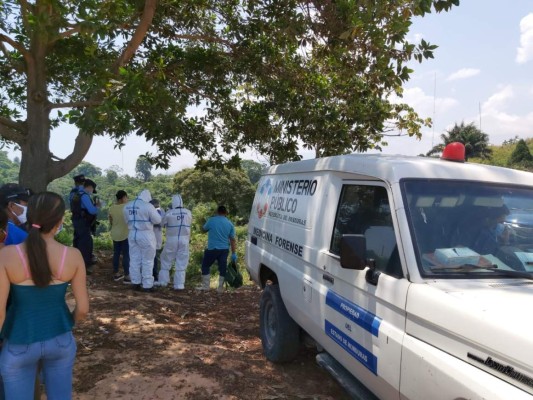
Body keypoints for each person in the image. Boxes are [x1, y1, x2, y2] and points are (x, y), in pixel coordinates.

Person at [0, 191, 89, 399]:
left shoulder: (7, 255)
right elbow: (83, 309)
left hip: (19, 342)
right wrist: (67, 324)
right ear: (60, 220)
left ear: (29, 217)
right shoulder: (73, 256)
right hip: (60, 340)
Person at [123, 189, 162, 292]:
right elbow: (158, 220)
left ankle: (135, 282)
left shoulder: (127, 205)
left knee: (134, 258)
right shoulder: (148, 206)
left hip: (132, 233)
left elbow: (126, 220)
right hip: (145, 234)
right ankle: (147, 285)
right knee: (147, 260)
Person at [156, 194, 192, 290]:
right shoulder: (188, 212)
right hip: (184, 240)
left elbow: (161, 224)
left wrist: (162, 213)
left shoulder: (169, 213)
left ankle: (163, 281)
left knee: (166, 259)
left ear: (173, 203)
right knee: (182, 261)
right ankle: (179, 285)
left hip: (172, 239)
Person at [198, 205, 237, 293]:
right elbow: (232, 240)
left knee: (205, 266)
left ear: (217, 211)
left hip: (212, 248)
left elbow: (203, 230)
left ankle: (206, 286)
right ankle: (220, 288)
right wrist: (234, 253)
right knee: (222, 268)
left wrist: (205, 221)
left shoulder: (211, 220)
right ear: (226, 213)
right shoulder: (230, 224)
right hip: (224, 249)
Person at [70, 178, 100, 274]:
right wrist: (97, 206)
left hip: (75, 220)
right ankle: (85, 266)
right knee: (86, 244)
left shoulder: (73, 193)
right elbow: (92, 211)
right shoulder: (84, 195)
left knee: (77, 241)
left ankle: (75, 264)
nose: (92, 192)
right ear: (89, 187)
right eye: (92, 190)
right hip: (83, 221)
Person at [109, 190, 130, 282]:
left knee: (116, 253)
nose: (127, 199)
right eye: (126, 197)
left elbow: (111, 221)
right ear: (123, 197)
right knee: (126, 254)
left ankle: (116, 273)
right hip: (125, 233)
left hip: (115, 233)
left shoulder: (112, 208)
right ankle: (127, 274)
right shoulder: (127, 207)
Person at [149, 199, 164, 282]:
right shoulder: (160, 211)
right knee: (154, 257)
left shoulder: (157, 211)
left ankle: (154, 275)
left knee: (153, 257)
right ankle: (154, 275)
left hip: (154, 236)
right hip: (156, 236)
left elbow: (158, 222)